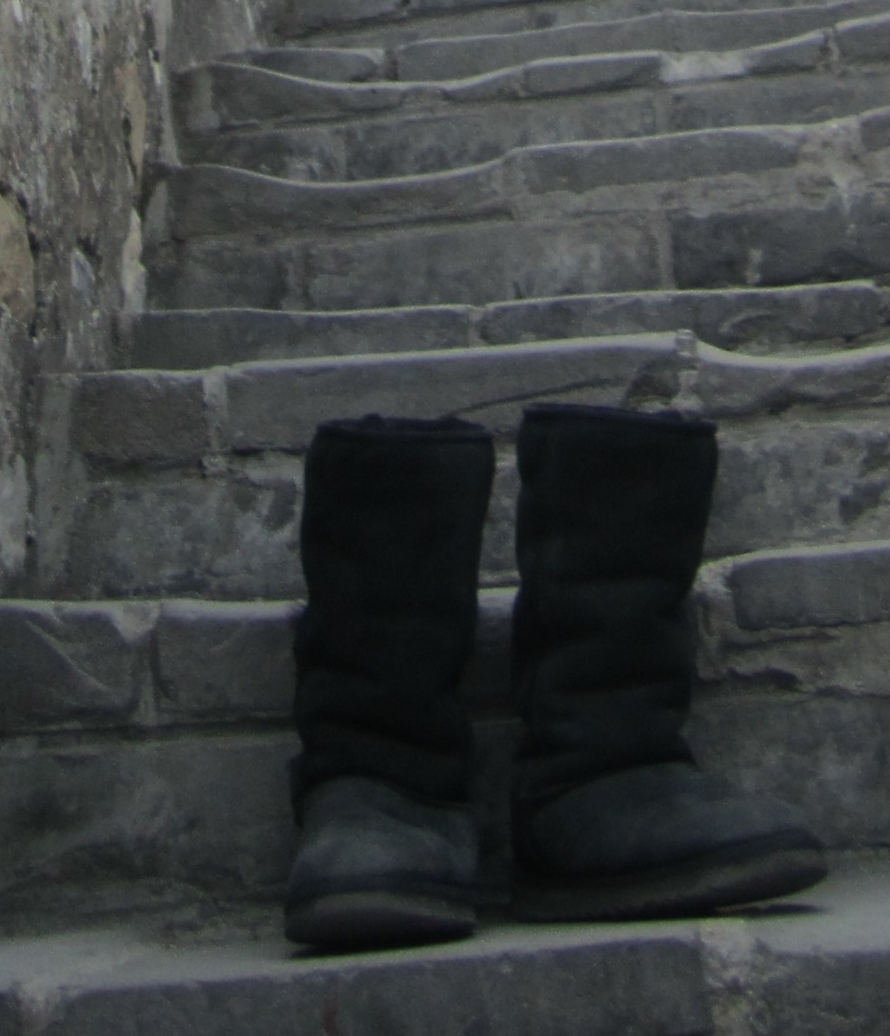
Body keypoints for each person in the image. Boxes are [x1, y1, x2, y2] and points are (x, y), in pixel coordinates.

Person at [282, 404, 827, 951]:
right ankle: (385, 778)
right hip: (381, 794)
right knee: (388, 475)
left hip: (591, 773)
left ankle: (590, 775)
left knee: (625, 459)